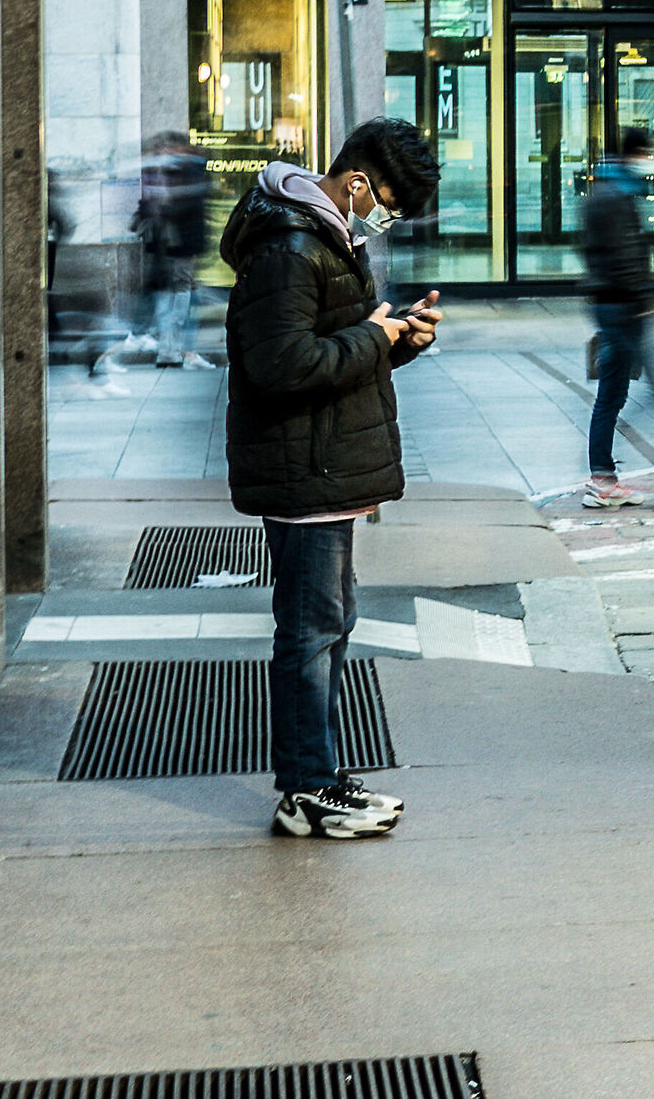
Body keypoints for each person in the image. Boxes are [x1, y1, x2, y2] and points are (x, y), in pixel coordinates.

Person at [221, 118, 442, 841]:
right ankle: (307, 789)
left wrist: (394, 339)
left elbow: (333, 352)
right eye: (389, 203)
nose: (386, 219)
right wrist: (374, 337)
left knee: (327, 626)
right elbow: (281, 366)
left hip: (321, 462)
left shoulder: (323, 235)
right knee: (312, 633)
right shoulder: (291, 247)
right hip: (303, 467)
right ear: (355, 181)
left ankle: (317, 776)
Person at [579, 126, 654, 507]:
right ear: (636, 154)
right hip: (621, 306)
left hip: (611, 303)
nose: (650, 161)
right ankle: (602, 480)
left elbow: (592, 250)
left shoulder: (605, 192)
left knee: (615, 393)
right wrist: (641, 297)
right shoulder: (617, 196)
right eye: (647, 154)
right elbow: (625, 253)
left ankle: (604, 475)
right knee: (613, 395)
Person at [134, 131, 212, 369]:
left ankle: (175, 350)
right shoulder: (177, 170)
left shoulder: (190, 171)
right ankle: (173, 350)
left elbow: (183, 205)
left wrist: (160, 210)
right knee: (173, 293)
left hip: (179, 242)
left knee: (179, 293)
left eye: (170, 147)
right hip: (170, 242)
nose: (166, 152)